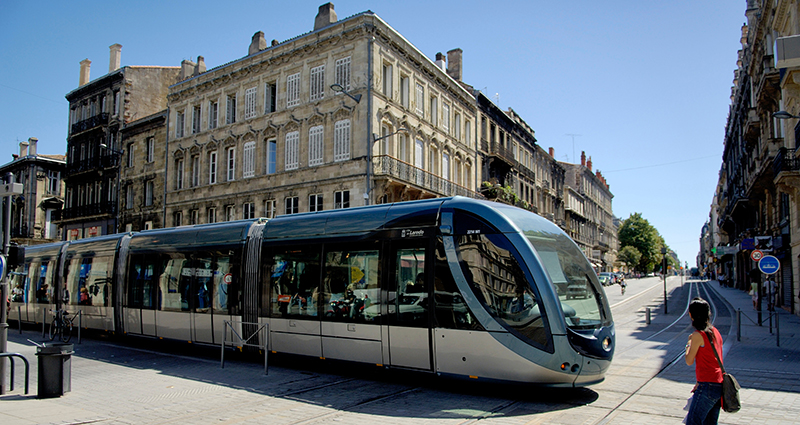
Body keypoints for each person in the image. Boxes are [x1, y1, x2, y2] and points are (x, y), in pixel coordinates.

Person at [684, 297, 724, 424]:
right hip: (718, 383)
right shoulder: (715, 331)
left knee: (693, 422)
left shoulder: (697, 335)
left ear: (691, 315)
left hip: (707, 385)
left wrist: (689, 343)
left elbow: (689, 360)